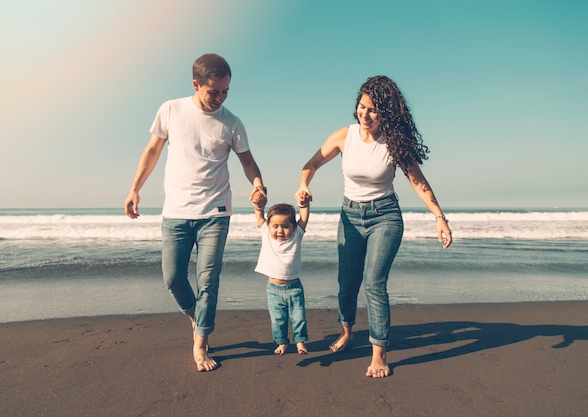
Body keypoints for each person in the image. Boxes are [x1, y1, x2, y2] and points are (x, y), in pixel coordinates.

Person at [295, 75, 452, 378]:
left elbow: (418, 183)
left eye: (373, 110)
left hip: (385, 217)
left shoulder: (394, 143)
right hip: (350, 216)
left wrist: (439, 217)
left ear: (387, 113)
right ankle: (347, 331)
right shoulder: (345, 136)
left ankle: (378, 352)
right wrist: (303, 185)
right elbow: (311, 164)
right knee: (347, 282)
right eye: (361, 107)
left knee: (374, 282)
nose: (364, 115)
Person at [124, 53, 267, 372]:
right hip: (175, 211)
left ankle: (201, 342)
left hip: (216, 212)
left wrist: (258, 183)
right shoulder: (171, 110)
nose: (220, 98)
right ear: (196, 84)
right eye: (213, 91)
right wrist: (135, 188)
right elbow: (151, 151)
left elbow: (247, 161)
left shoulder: (232, 122)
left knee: (208, 281)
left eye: (226, 91)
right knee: (173, 278)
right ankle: (196, 318)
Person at [253, 196, 310, 356]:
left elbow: (304, 216)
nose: (280, 230)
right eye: (275, 226)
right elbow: (259, 214)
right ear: (268, 226)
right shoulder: (265, 233)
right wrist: (258, 205)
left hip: (295, 288)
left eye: (285, 226)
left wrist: (304, 203)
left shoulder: (297, 235)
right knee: (278, 319)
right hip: (273, 289)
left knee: (298, 317)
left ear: (293, 226)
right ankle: (281, 343)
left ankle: (300, 342)